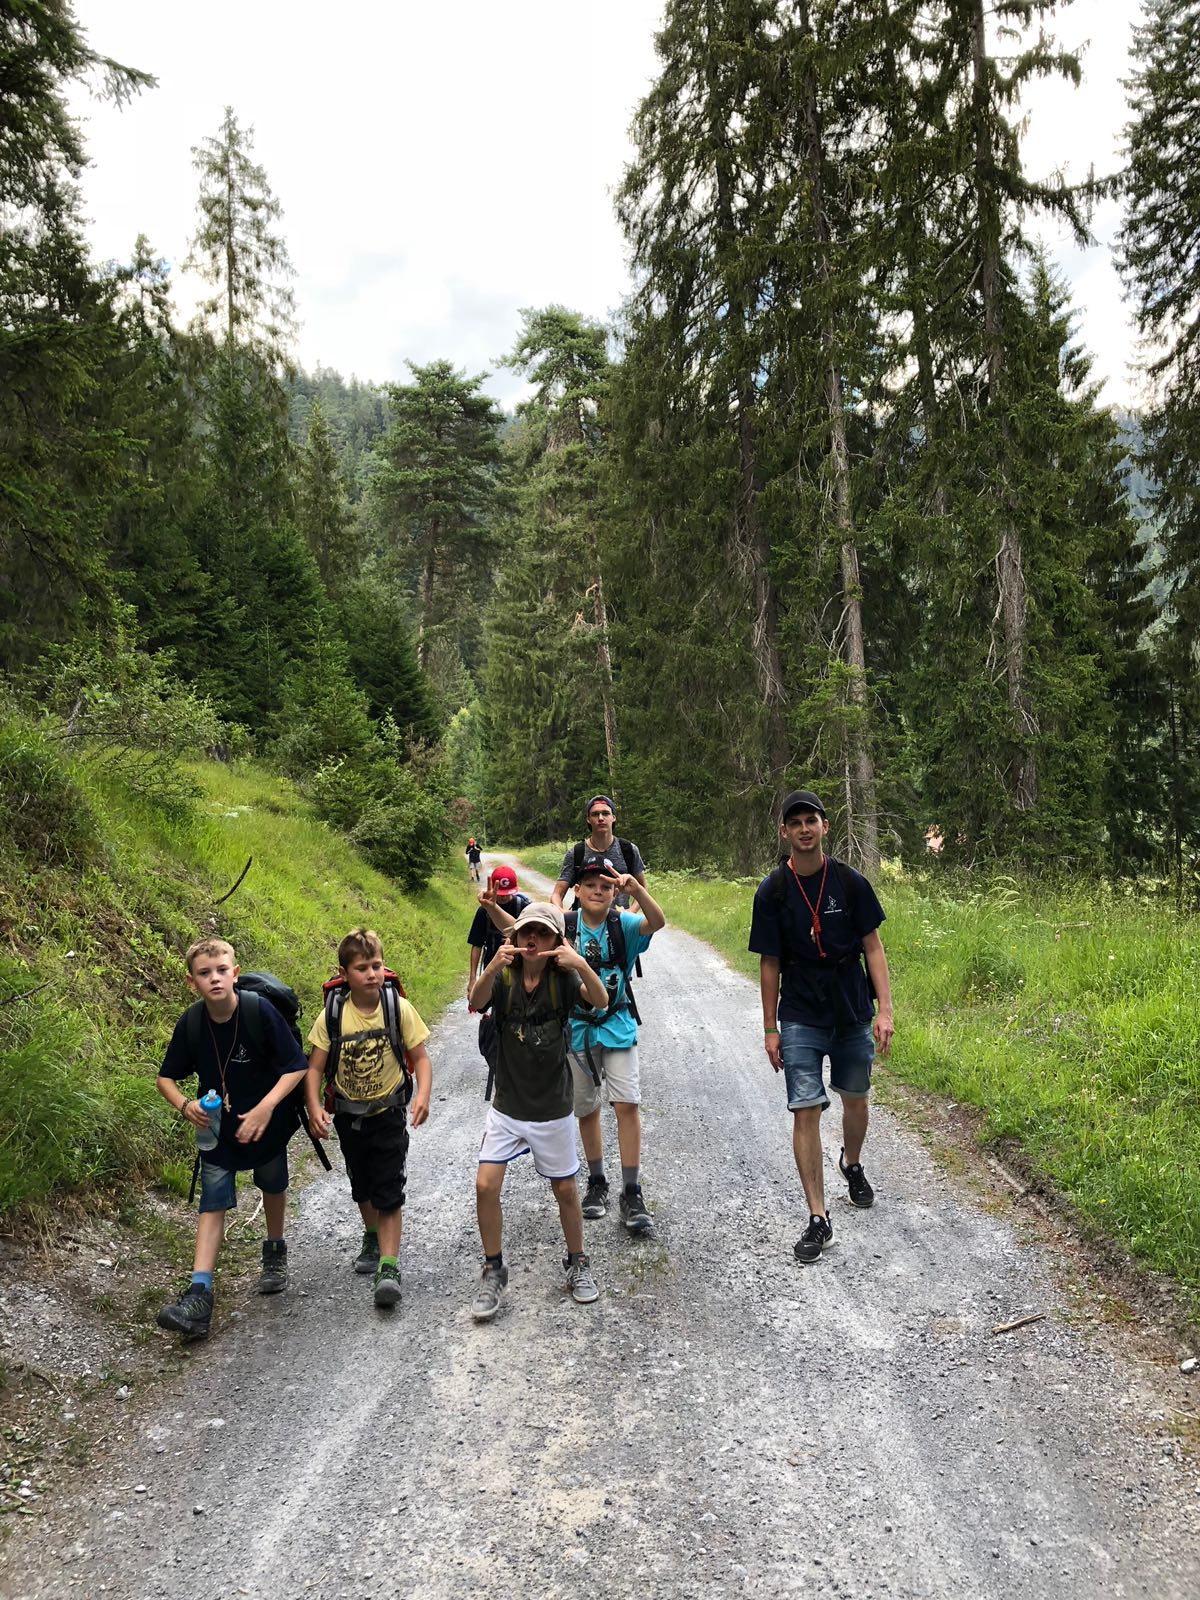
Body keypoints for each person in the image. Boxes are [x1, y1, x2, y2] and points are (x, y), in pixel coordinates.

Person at [748, 789, 894, 1264]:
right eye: (795, 822)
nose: (804, 828)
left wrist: (885, 1010)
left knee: (856, 1098)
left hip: (850, 1007)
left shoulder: (850, 882)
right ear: (784, 832)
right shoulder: (772, 891)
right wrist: (770, 1028)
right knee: (805, 1109)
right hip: (800, 1012)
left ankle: (851, 1162)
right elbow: (770, 962)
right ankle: (818, 1217)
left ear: (825, 827)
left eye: (811, 820)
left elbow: (873, 946)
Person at [155, 938, 308, 1339]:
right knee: (213, 1200)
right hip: (217, 1129)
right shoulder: (192, 1023)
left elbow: (296, 1066)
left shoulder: (259, 1012)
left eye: (222, 970)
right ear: (192, 982)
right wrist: (185, 1104)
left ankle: (274, 1249)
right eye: (204, 973)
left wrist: (266, 1107)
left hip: (266, 1122)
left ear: (235, 973)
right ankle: (199, 1294)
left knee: (272, 1182)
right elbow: (165, 1077)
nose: (215, 979)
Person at [467, 902, 609, 1321]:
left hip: (552, 1107)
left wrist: (579, 962)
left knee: (565, 1190)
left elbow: (599, 1001)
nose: (533, 939)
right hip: (508, 1105)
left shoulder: (563, 979)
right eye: (527, 931)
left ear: (556, 941)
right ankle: (494, 1268)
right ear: (515, 936)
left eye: (543, 933)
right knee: (485, 1185)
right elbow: (476, 1000)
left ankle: (577, 1261)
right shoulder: (504, 976)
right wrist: (493, 965)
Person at [304, 928, 432, 1308]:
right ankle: (372, 1235)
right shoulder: (332, 1015)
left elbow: (421, 1059)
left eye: (376, 965)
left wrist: (422, 1095)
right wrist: (314, 1107)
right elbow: (315, 1068)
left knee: (389, 1189)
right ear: (344, 974)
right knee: (361, 1185)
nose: (372, 974)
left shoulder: (397, 1008)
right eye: (362, 968)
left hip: (389, 1114)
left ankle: (388, 1268)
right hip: (348, 1117)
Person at [551, 795, 647, 909]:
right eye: (595, 814)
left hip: (618, 919)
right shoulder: (577, 853)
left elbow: (642, 888)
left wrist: (630, 913)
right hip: (583, 920)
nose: (600, 818)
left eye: (605, 813)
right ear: (588, 819)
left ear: (613, 817)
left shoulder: (628, 850)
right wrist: (563, 915)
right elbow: (557, 894)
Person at [467, 864, 529, 1004]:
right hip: (492, 966)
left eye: (507, 893)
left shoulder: (524, 908)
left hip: (519, 968)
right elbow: (477, 945)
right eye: (501, 893)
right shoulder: (484, 911)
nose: (503, 897)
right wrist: (473, 978)